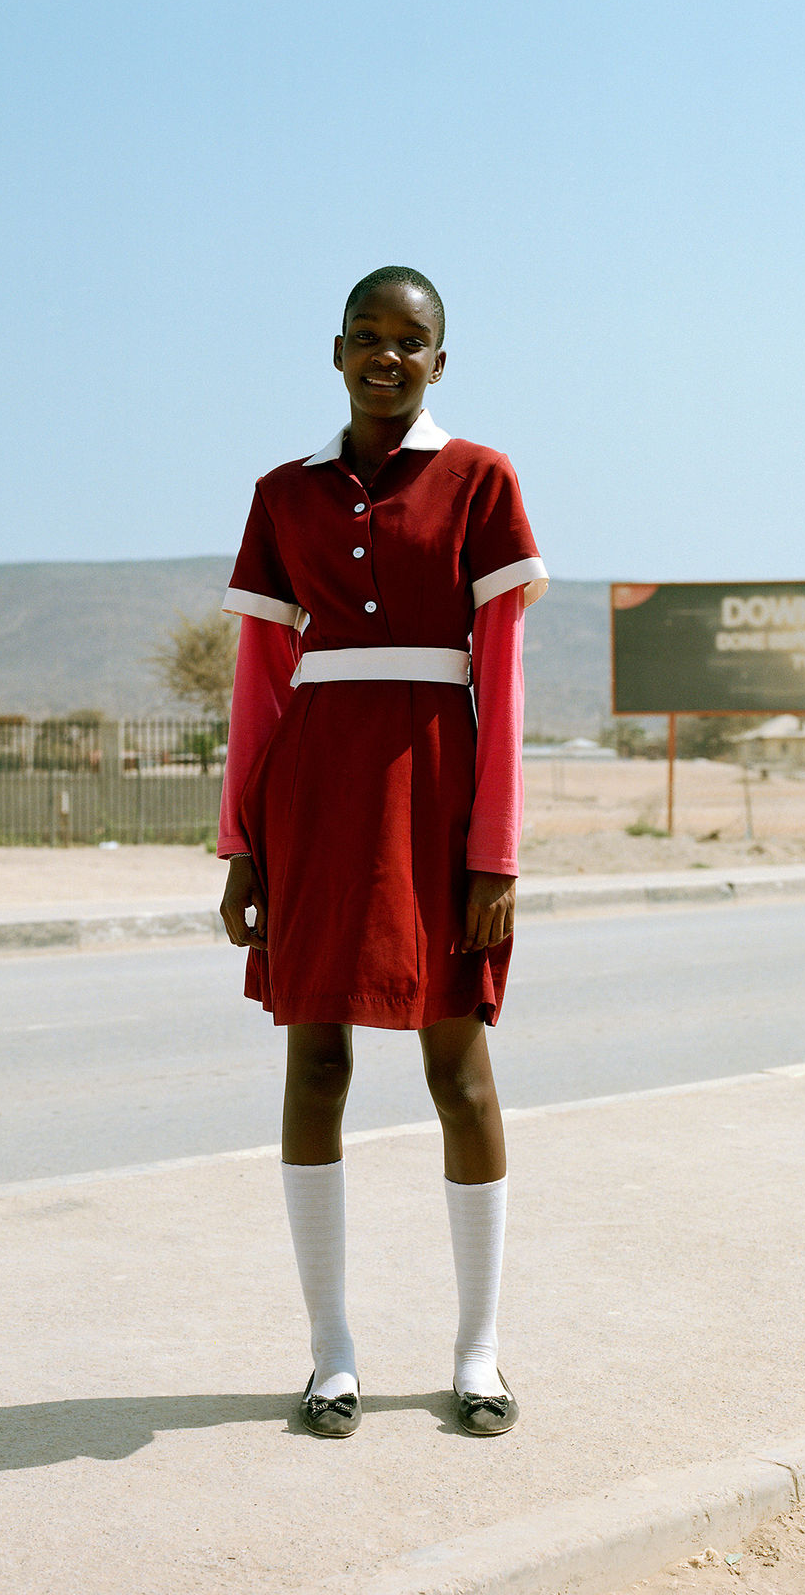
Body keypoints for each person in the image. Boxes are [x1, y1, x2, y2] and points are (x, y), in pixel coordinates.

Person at [217, 265, 547, 1439]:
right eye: (366, 336)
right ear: (338, 349)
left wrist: (493, 852)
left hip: (437, 793)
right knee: (316, 1067)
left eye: (409, 341)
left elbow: (500, 684)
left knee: (457, 1068)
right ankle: (332, 1356)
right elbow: (261, 684)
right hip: (314, 798)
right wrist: (239, 842)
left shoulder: (479, 482)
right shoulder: (283, 493)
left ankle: (478, 1352)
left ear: (439, 361)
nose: (385, 357)